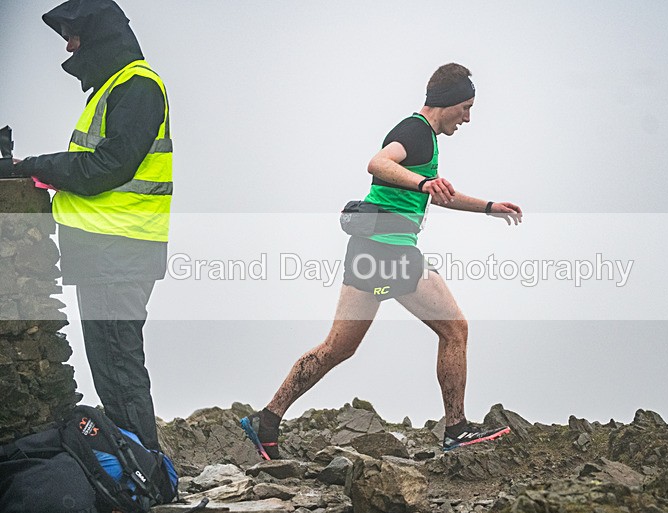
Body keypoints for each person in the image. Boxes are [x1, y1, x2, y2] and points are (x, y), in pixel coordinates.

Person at [241, 63, 523, 460]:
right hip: (390, 252)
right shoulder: (414, 132)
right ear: (446, 103)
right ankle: (456, 428)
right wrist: (424, 182)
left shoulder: (424, 139)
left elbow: (439, 193)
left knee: (338, 347)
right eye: (465, 107)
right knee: (455, 329)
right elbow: (378, 163)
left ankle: (265, 420)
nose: (468, 118)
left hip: (368, 250)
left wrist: (489, 207)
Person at [11, 0, 172, 451]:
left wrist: (36, 166)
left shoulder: (138, 86)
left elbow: (109, 166)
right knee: (113, 365)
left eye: (74, 35)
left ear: (100, 34)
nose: (69, 45)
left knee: (118, 367)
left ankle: (147, 473)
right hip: (110, 248)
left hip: (119, 248)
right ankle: (143, 468)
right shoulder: (116, 87)